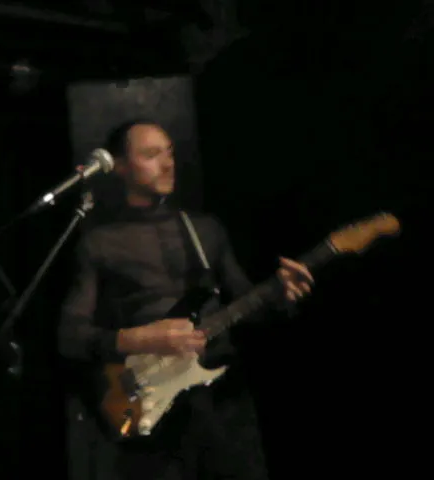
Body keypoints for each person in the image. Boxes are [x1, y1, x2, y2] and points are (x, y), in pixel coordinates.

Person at [58, 119, 314, 480]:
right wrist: (141, 339)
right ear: (121, 167)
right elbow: (70, 337)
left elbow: (250, 307)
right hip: (150, 408)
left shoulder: (206, 229)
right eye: (151, 154)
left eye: (170, 153)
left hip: (222, 401)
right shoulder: (98, 243)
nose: (167, 164)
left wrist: (283, 297)